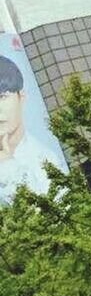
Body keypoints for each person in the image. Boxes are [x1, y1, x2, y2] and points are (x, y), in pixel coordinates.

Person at [0, 55, 57, 203]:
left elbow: (48, 215)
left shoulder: (45, 159)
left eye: (2, 97)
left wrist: (6, 165)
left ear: (21, 97)